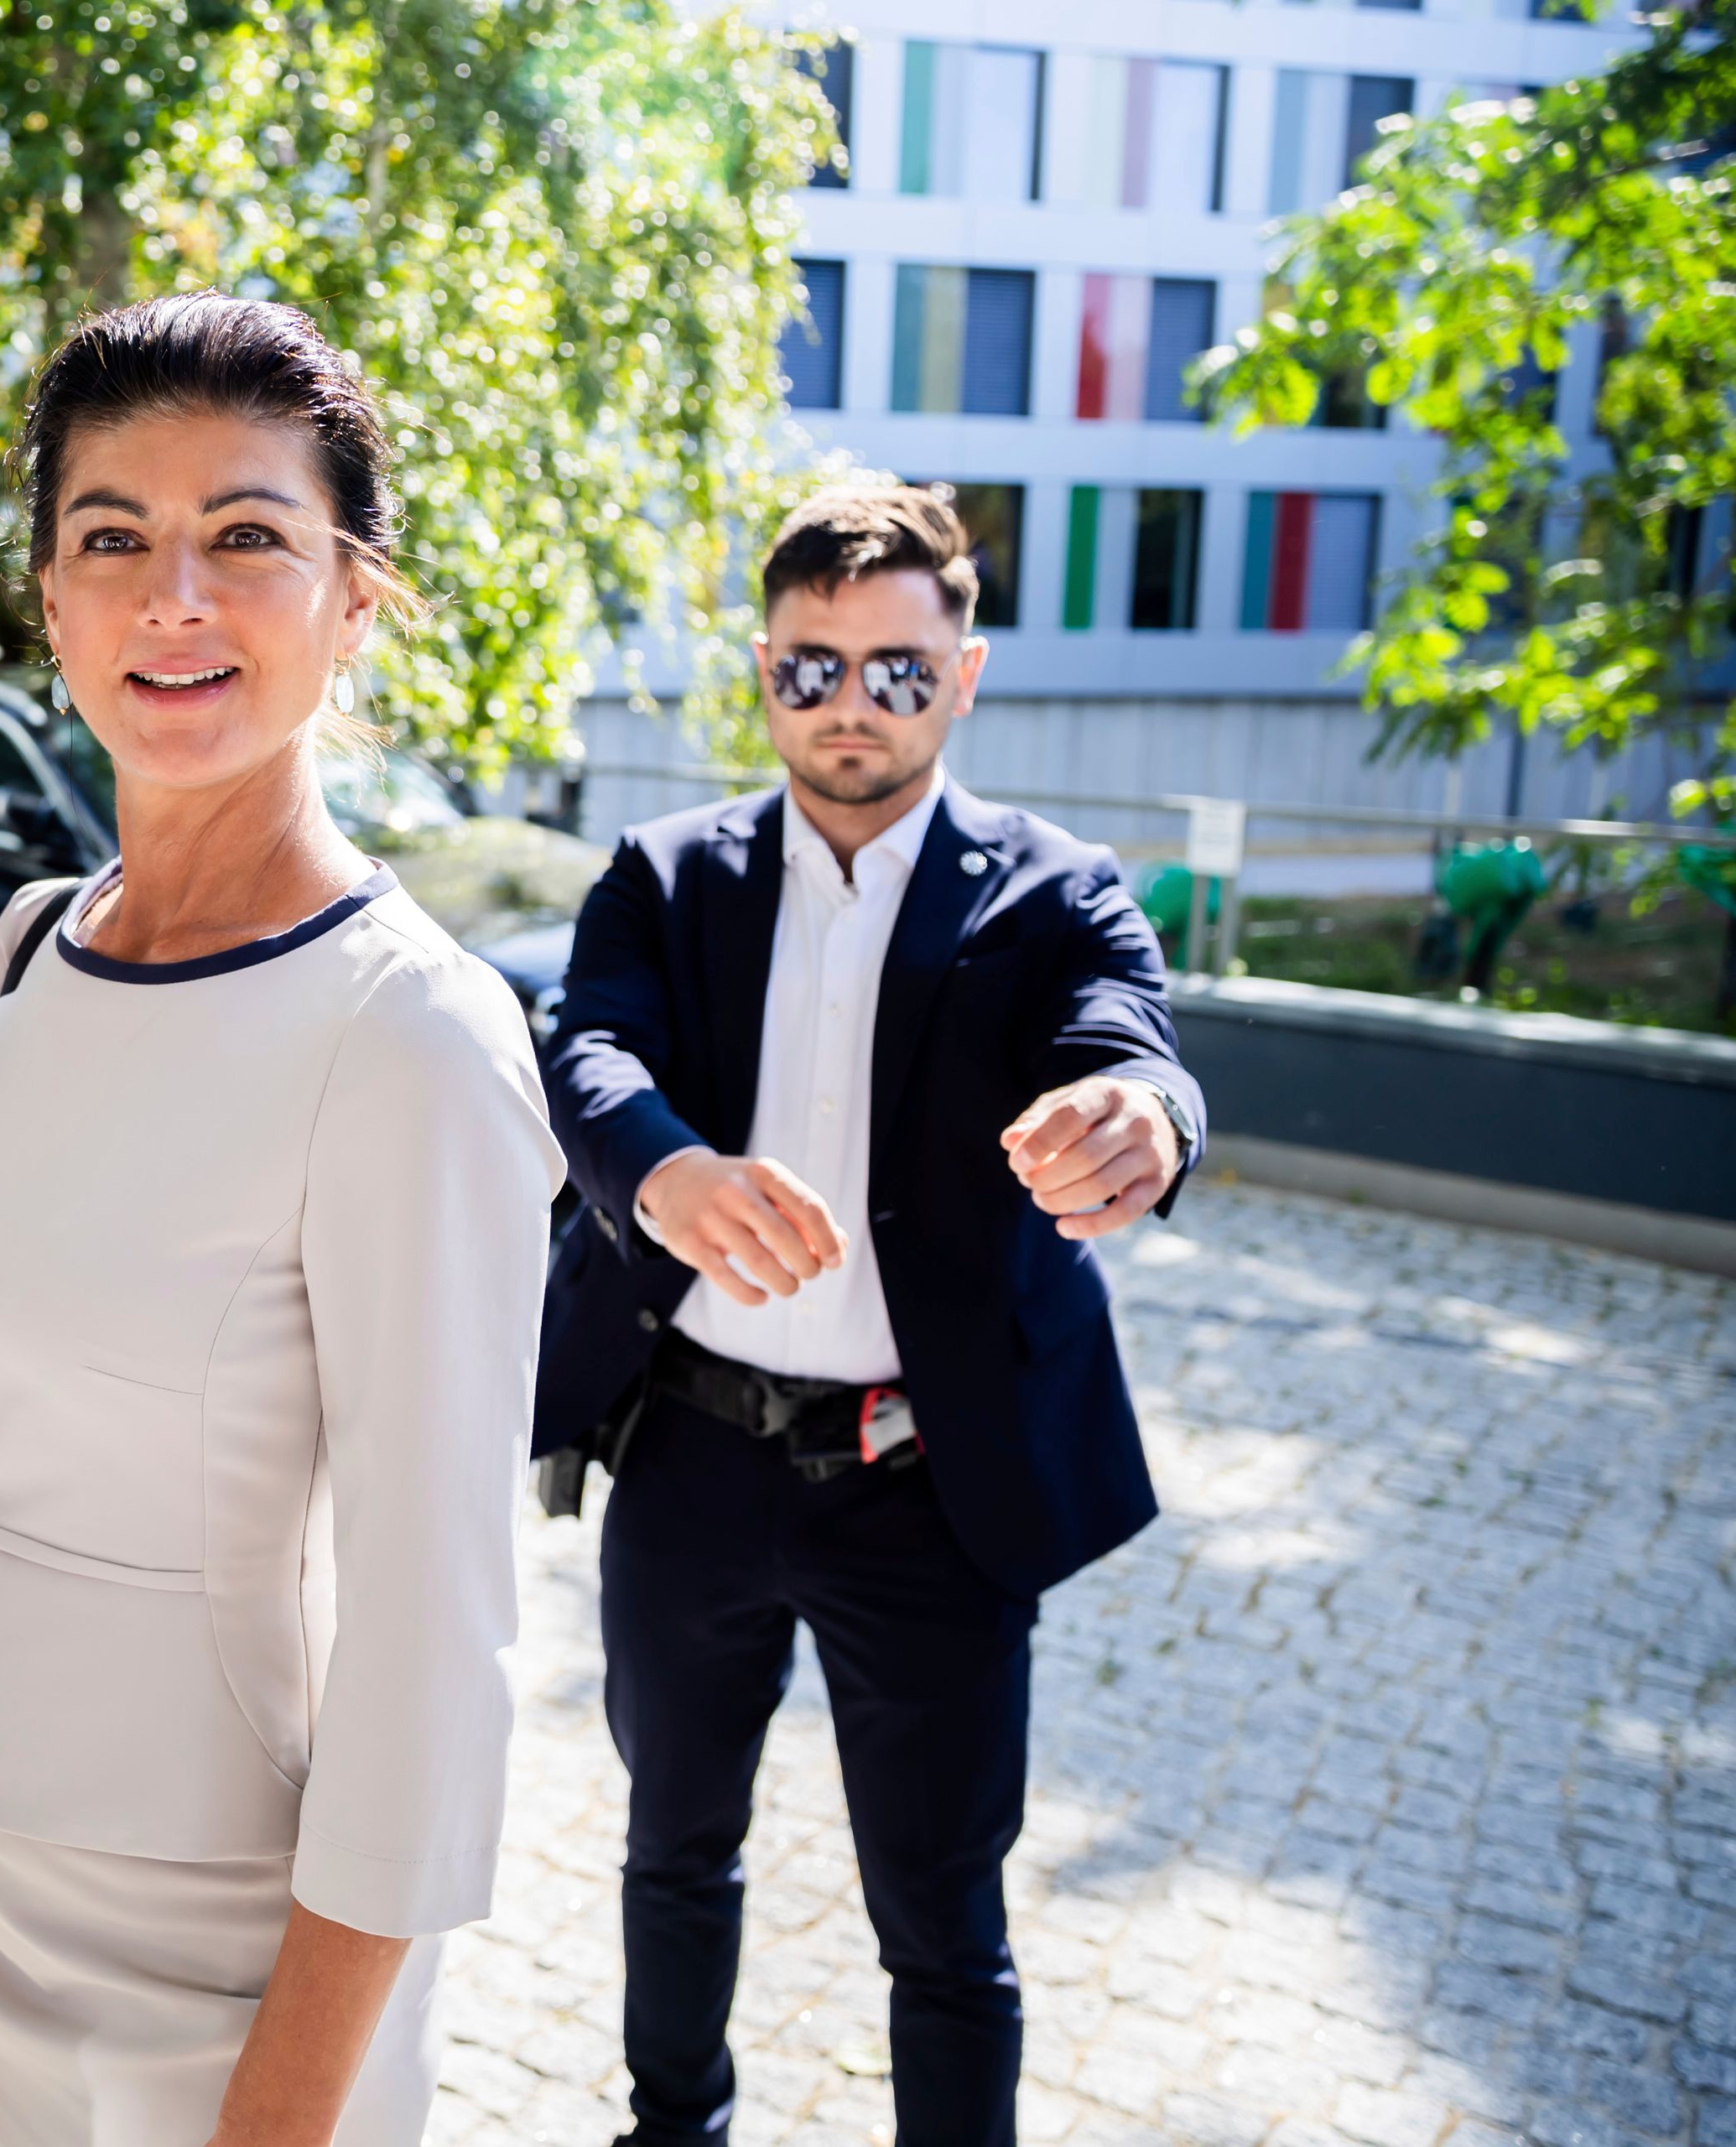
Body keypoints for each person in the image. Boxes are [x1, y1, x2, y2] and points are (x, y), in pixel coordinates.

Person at [0, 294, 564, 2146]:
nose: (172, 597)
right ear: (50, 603)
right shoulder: (29, 946)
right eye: (111, 538)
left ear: (357, 598)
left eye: (249, 539)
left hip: (246, 1959)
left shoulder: (411, 1031)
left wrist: (281, 2118)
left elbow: (433, 1657)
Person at [538, 486, 1207, 2147]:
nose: (854, 704)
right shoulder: (663, 872)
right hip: (688, 1460)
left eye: (900, 671)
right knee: (673, 1842)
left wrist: (1145, 1115)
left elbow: (1132, 1034)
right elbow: (585, 1051)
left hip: (930, 1484)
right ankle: (671, 2122)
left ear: (962, 677)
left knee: (945, 1914)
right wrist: (660, 1170)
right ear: (763, 673)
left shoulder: (1055, 892)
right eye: (813, 667)